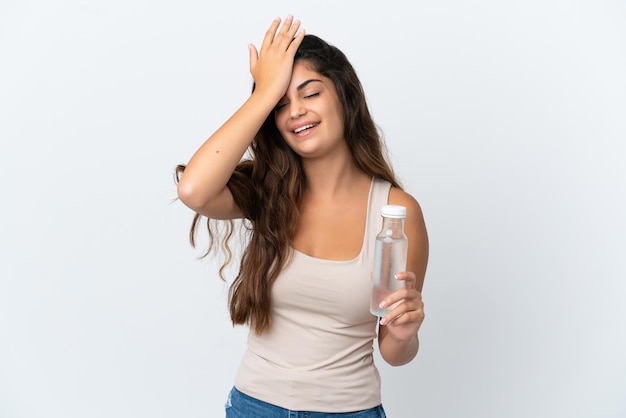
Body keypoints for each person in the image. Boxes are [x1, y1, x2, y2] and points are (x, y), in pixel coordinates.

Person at [176, 15, 429, 418]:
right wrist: (262, 94)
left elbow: (394, 352)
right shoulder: (268, 192)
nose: (295, 112)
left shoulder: (396, 214)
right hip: (253, 406)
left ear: (344, 96)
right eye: (280, 104)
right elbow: (193, 189)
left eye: (309, 93)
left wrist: (404, 332)